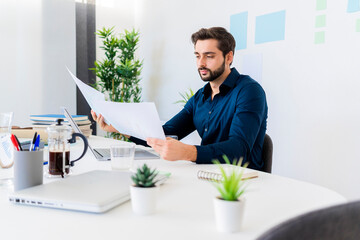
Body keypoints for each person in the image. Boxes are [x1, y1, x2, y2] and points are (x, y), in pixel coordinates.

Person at [91, 27, 268, 170]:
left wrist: (189, 152)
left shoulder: (249, 91)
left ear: (228, 57)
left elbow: (239, 150)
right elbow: (162, 133)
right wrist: (119, 127)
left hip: (243, 183)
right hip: (209, 176)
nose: (201, 63)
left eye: (209, 56)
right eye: (198, 56)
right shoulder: (200, 97)